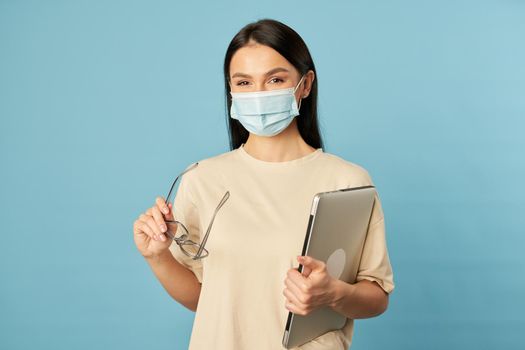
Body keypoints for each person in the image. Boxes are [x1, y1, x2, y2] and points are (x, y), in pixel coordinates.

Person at [133, 18, 395, 350]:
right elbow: (205, 299)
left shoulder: (347, 181)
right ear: (230, 90)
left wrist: (334, 293)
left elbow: (376, 296)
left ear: (305, 84)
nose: (258, 95)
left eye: (275, 79)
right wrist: (157, 257)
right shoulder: (201, 179)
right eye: (244, 82)